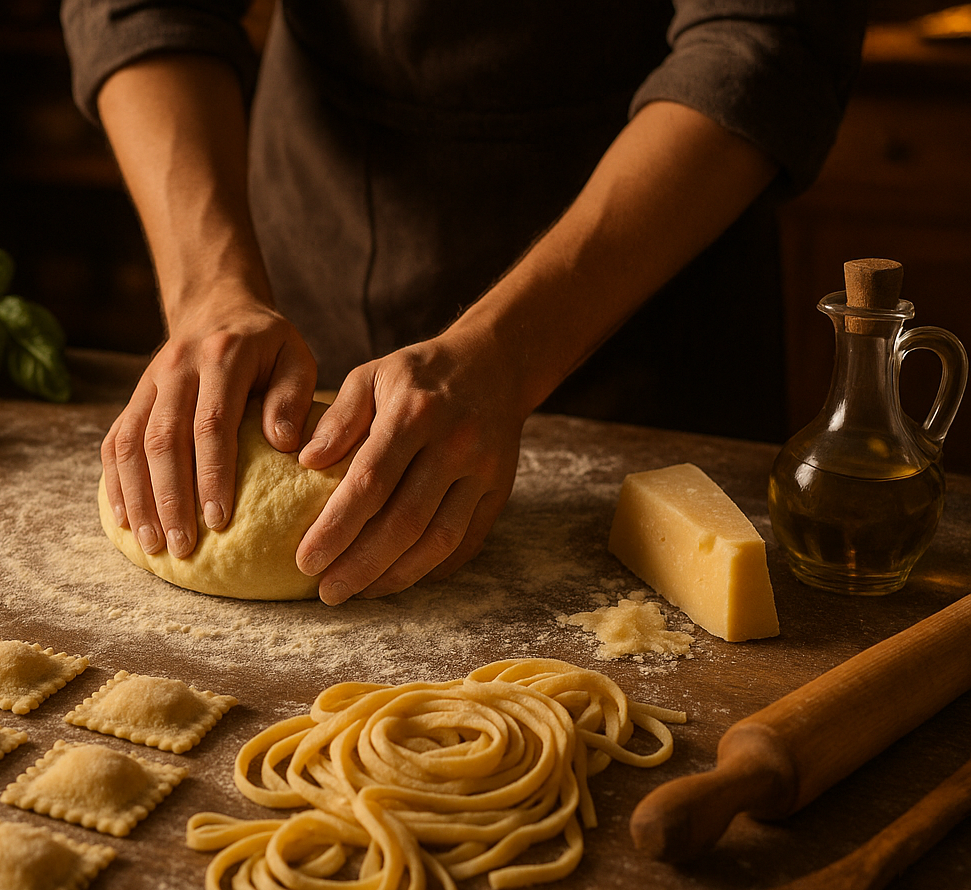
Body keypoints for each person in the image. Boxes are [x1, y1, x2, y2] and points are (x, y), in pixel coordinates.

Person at [62, 0, 866, 605]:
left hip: (643, 276)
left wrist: (514, 352)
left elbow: (763, 35)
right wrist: (211, 286)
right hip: (314, 220)